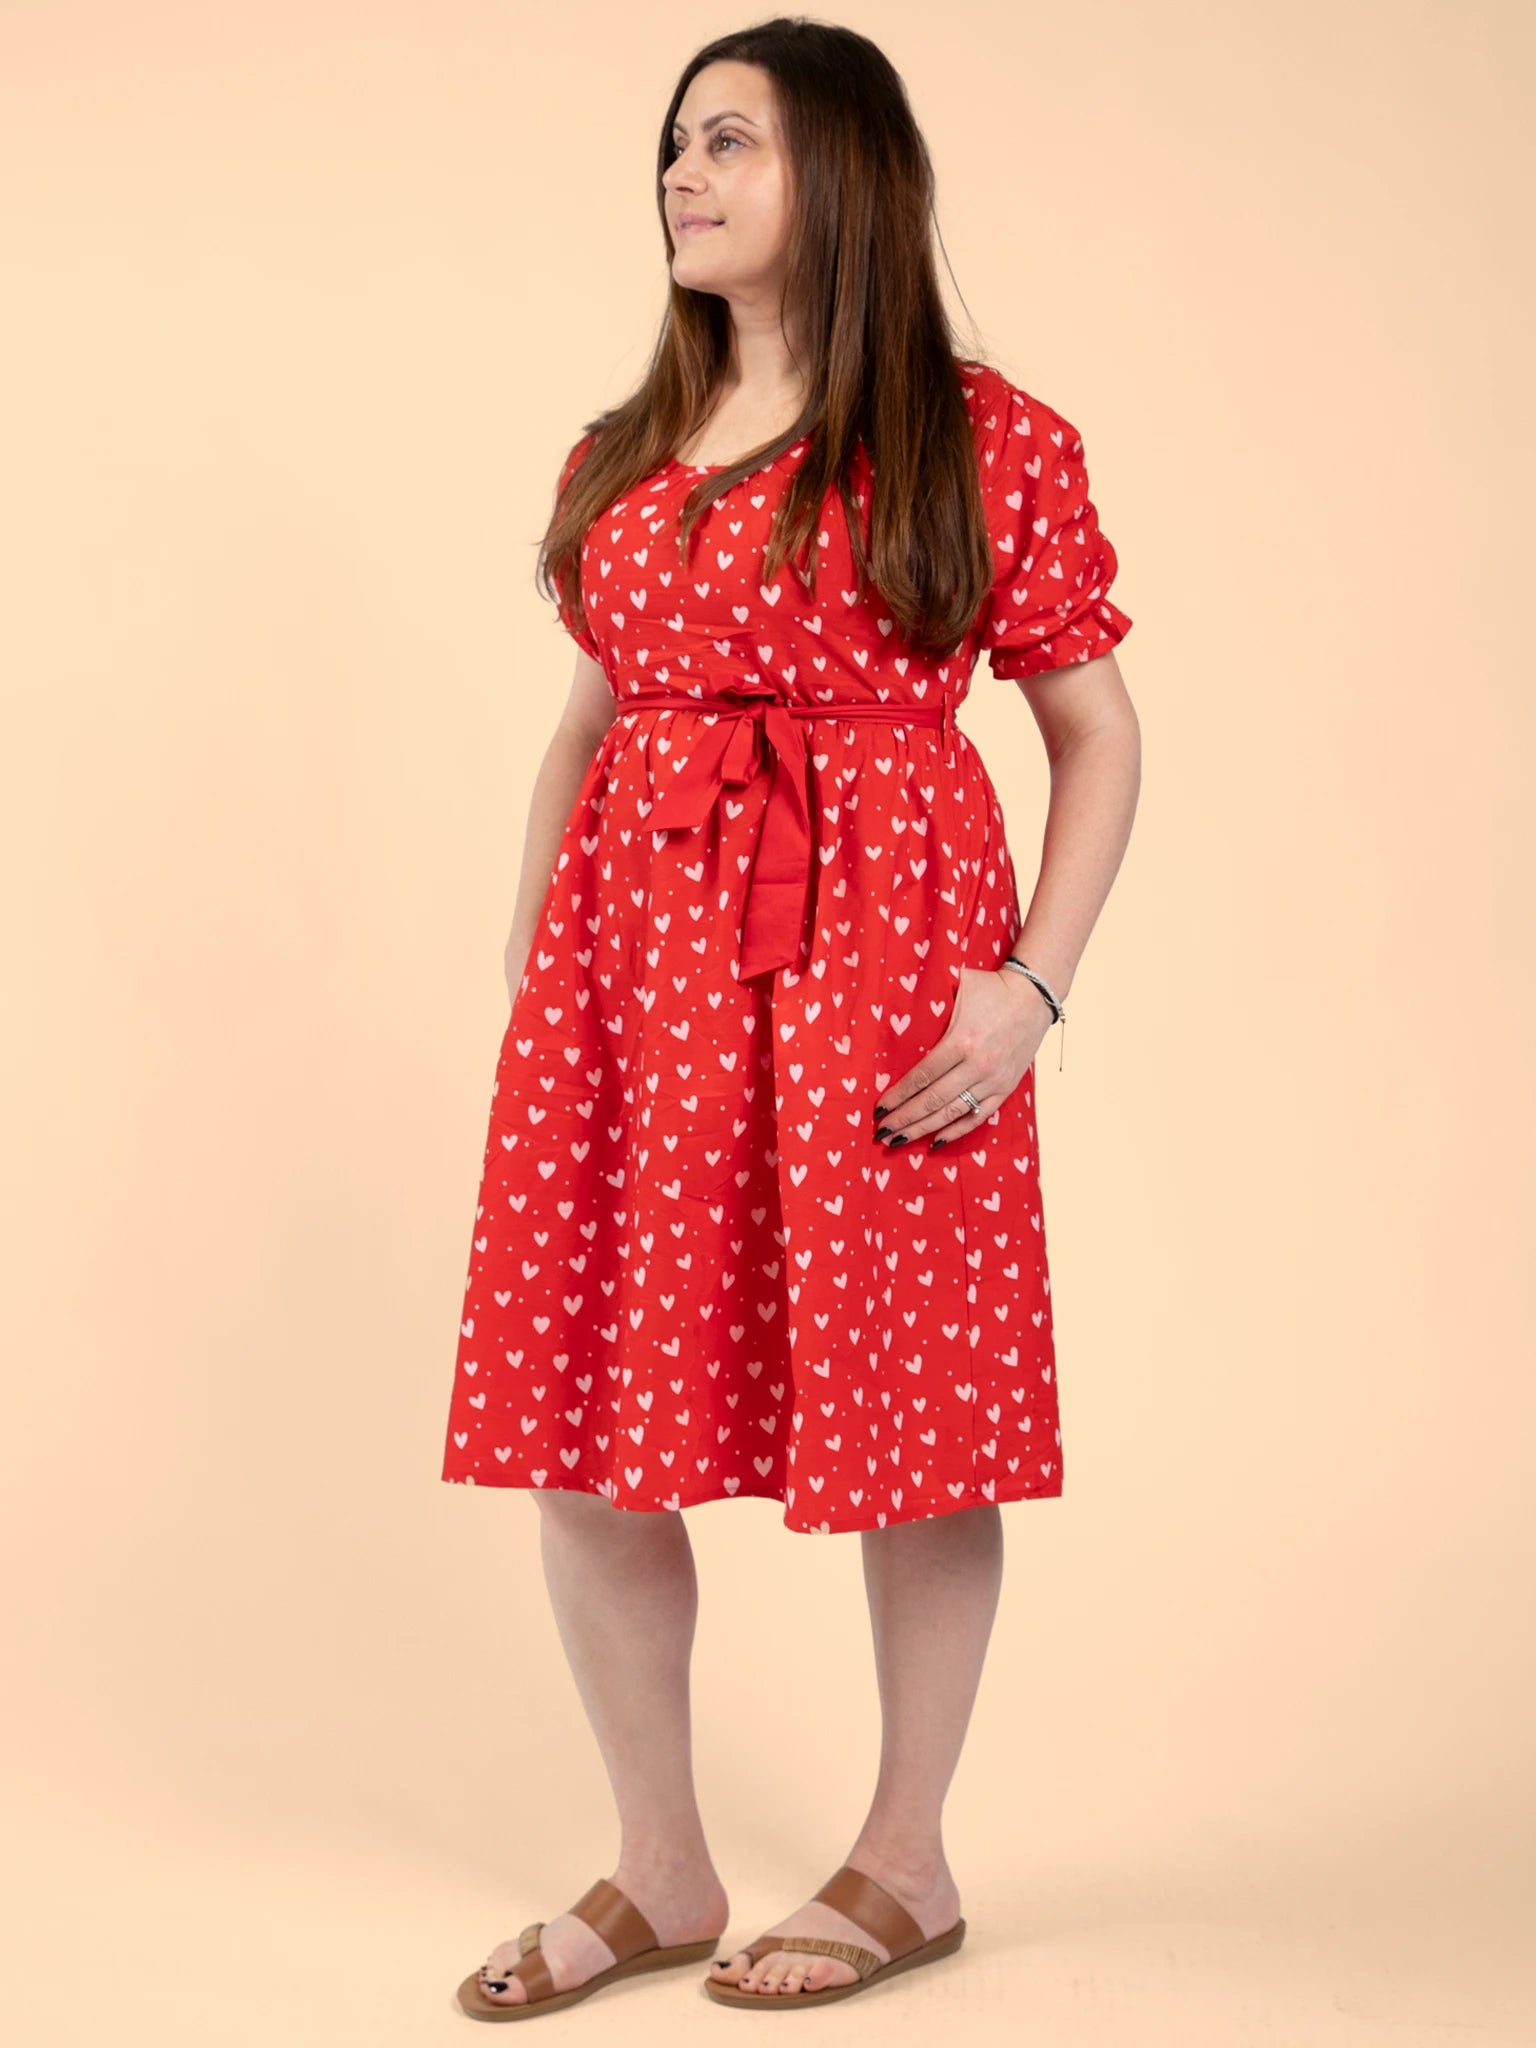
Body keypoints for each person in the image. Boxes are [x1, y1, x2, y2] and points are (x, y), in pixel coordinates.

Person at [445, 17, 1141, 2020]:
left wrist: (1030, 990)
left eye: (729, 140)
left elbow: (1097, 736)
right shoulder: (617, 453)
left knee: (909, 1413)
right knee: (585, 1420)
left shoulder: (980, 437)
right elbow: (592, 714)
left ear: (843, 170)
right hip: (632, 987)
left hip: (881, 992)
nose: (682, 171)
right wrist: (534, 955)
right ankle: (658, 1862)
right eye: (674, 143)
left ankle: (905, 1858)